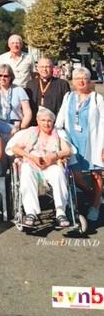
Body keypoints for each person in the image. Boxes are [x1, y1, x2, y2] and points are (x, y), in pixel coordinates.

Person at [6, 107, 73, 229]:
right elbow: (15, 148)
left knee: (58, 172)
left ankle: (60, 212)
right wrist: (32, 157)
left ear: (53, 122)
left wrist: (54, 155)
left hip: (50, 166)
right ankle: (31, 213)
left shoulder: (57, 134)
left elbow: (68, 150)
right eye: (43, 120)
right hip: (32, 164)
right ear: (37, 121)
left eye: (49, 121)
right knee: (25, 170)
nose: (46, 123)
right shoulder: (31, 132)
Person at [56, 67, 104, 222]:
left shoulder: (97, 98)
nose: (81, 81)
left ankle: (95, 206)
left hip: (93, 142)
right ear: (73, 82)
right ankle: (93, 194)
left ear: (89, 81)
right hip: (73, 143)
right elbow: (59, 121)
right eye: (77, 79)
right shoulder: (68, 97)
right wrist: (60, 140)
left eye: (84, 78)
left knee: (96, 174)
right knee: (74, 175)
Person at [0, 64, 32, 144]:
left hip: (14, 130)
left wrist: (22, 128)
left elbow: (27, 112)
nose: (2, 78)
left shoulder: (19, 90)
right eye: (0, 75)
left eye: (6, 76)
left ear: (11, 77)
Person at [26, 57, 70, 123]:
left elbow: (67, 106)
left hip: (55, 122)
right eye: (42, 67)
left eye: (47, 67)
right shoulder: (30, 84)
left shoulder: (62, 84)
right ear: (37, 68)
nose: (44, 69)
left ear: (52, 68)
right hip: (35, 122)